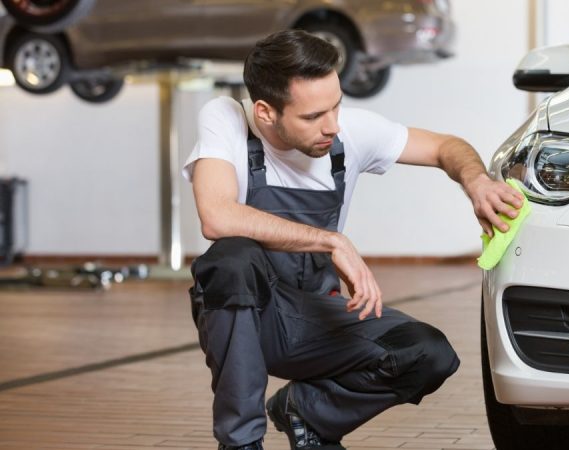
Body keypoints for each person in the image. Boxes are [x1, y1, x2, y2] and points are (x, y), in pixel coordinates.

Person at [183, 30, 524, 450]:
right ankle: (240, 443)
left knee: (427, 353)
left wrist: (476, 182)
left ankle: (307, 412)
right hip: (248, 315)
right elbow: (216, 215)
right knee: (229, 260)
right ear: (265, 112)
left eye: (336, 105)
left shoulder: (347, 134)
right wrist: (333, 242)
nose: (332, 126)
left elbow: (444, 147)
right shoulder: (227, 120)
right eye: (311, 117)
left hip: (314, 315)